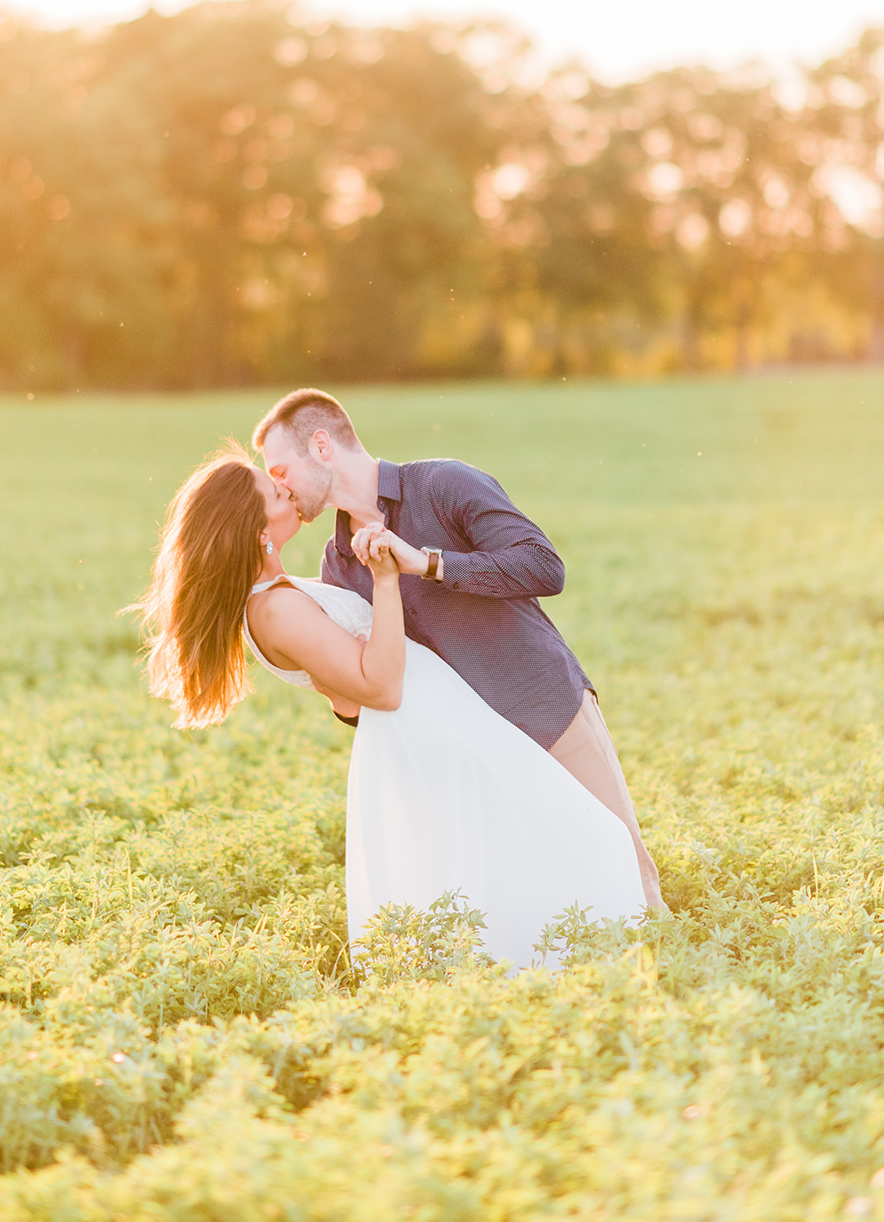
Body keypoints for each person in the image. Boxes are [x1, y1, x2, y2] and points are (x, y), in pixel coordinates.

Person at [136, 444, 646, 969]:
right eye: (272, 490)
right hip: (433, 735)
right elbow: (381, 688)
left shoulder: (288, 591)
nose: (284, 487)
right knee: (577, 851)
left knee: (552, 855)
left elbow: (350, 694)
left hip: (451, 726)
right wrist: (385, 580)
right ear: (256, 529)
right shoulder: (274, 609)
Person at [254, 388, 664, 910]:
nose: (278, 485)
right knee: (553, 903)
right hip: (475, 756)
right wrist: (337, 693)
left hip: (544, 709)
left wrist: (426, 563)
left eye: (281, 469)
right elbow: (376, 687)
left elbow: (544, 565)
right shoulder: (338, 564)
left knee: (628, 877)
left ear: (321, 446)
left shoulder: (442, 483)